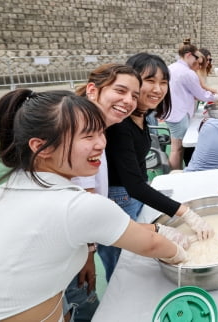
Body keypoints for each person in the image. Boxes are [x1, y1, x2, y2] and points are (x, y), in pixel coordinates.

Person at [0, 89, 195, 322]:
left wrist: (160, 229)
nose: (101, 143)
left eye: (101, 132)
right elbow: (152, 246)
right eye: (88, 136)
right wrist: (187, 254)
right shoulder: (76, 204)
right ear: (42, 147)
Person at [102, 53, 214, 280]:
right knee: (123, 269)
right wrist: (186, 213)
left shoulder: (143, 116)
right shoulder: (121, 125)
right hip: (118, 200)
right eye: (150, 81)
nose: (158, 89)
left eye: (163, 82)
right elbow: (133, 184)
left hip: (132, 197)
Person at [68, 63, 141, 320]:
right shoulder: (77, 131)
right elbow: (85, 203)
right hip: (64, 253)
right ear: (92, 90)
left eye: (134, 95)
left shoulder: (97, 129)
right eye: (120, 91)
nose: (128, 100)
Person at [166, 39, 218, 170]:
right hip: (179, 113)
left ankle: (176, 173)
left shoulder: (172, 67)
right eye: (197, 60)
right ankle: (175, 175)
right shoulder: (187, 72)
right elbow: (201, 94)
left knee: (177, 148)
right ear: (189, 55)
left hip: (173, 112)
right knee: (177, 149)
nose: (197, 64)